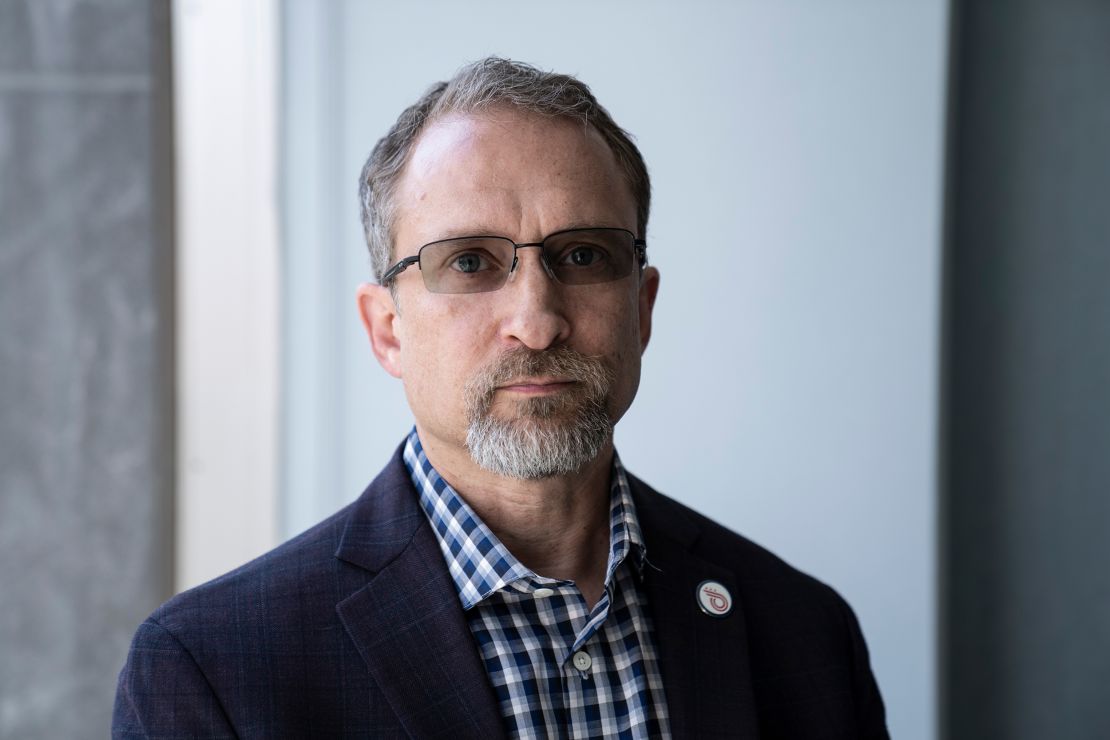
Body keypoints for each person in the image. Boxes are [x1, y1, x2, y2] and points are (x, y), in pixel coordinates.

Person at [113, 57, 889, 739]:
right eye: (471, 262)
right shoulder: (212, 668)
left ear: (642, 309)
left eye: (583, 255)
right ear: (387, 330)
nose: (537, 322)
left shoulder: (803, 632)